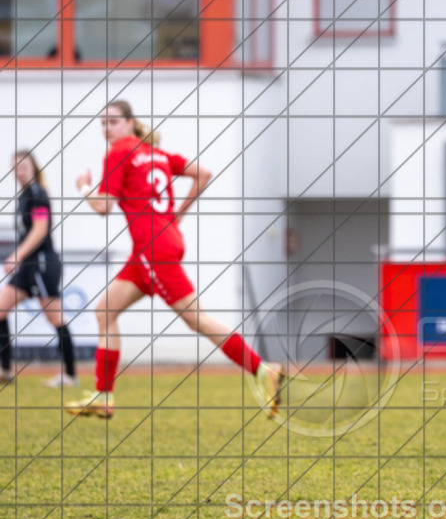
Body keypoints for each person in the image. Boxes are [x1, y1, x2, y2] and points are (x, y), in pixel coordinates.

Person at [64, 100, 282, 418]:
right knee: (105, 311)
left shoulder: (118, 153)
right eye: (102, 123)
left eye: (112, 121)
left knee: (197, 319)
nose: (106, 128)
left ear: (129, 122)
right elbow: (203, 173)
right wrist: (175, 215)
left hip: (153, 249)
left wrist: (84, 187)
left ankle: (263, 369)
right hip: (151, 249)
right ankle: (103, 396)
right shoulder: (157, 153)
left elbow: (103, 207)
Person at [0, 150, 78, 387]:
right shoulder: (24, 196)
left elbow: (40, 229)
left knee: (55, 318)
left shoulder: (37, 194)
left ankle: (70, 375)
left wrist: (17, 254)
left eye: (23, 167)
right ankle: (5, 369)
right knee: (1, 309)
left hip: (43, 264)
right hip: (28, 267)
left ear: (34, 167)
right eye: (16, 168)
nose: (19, 171)